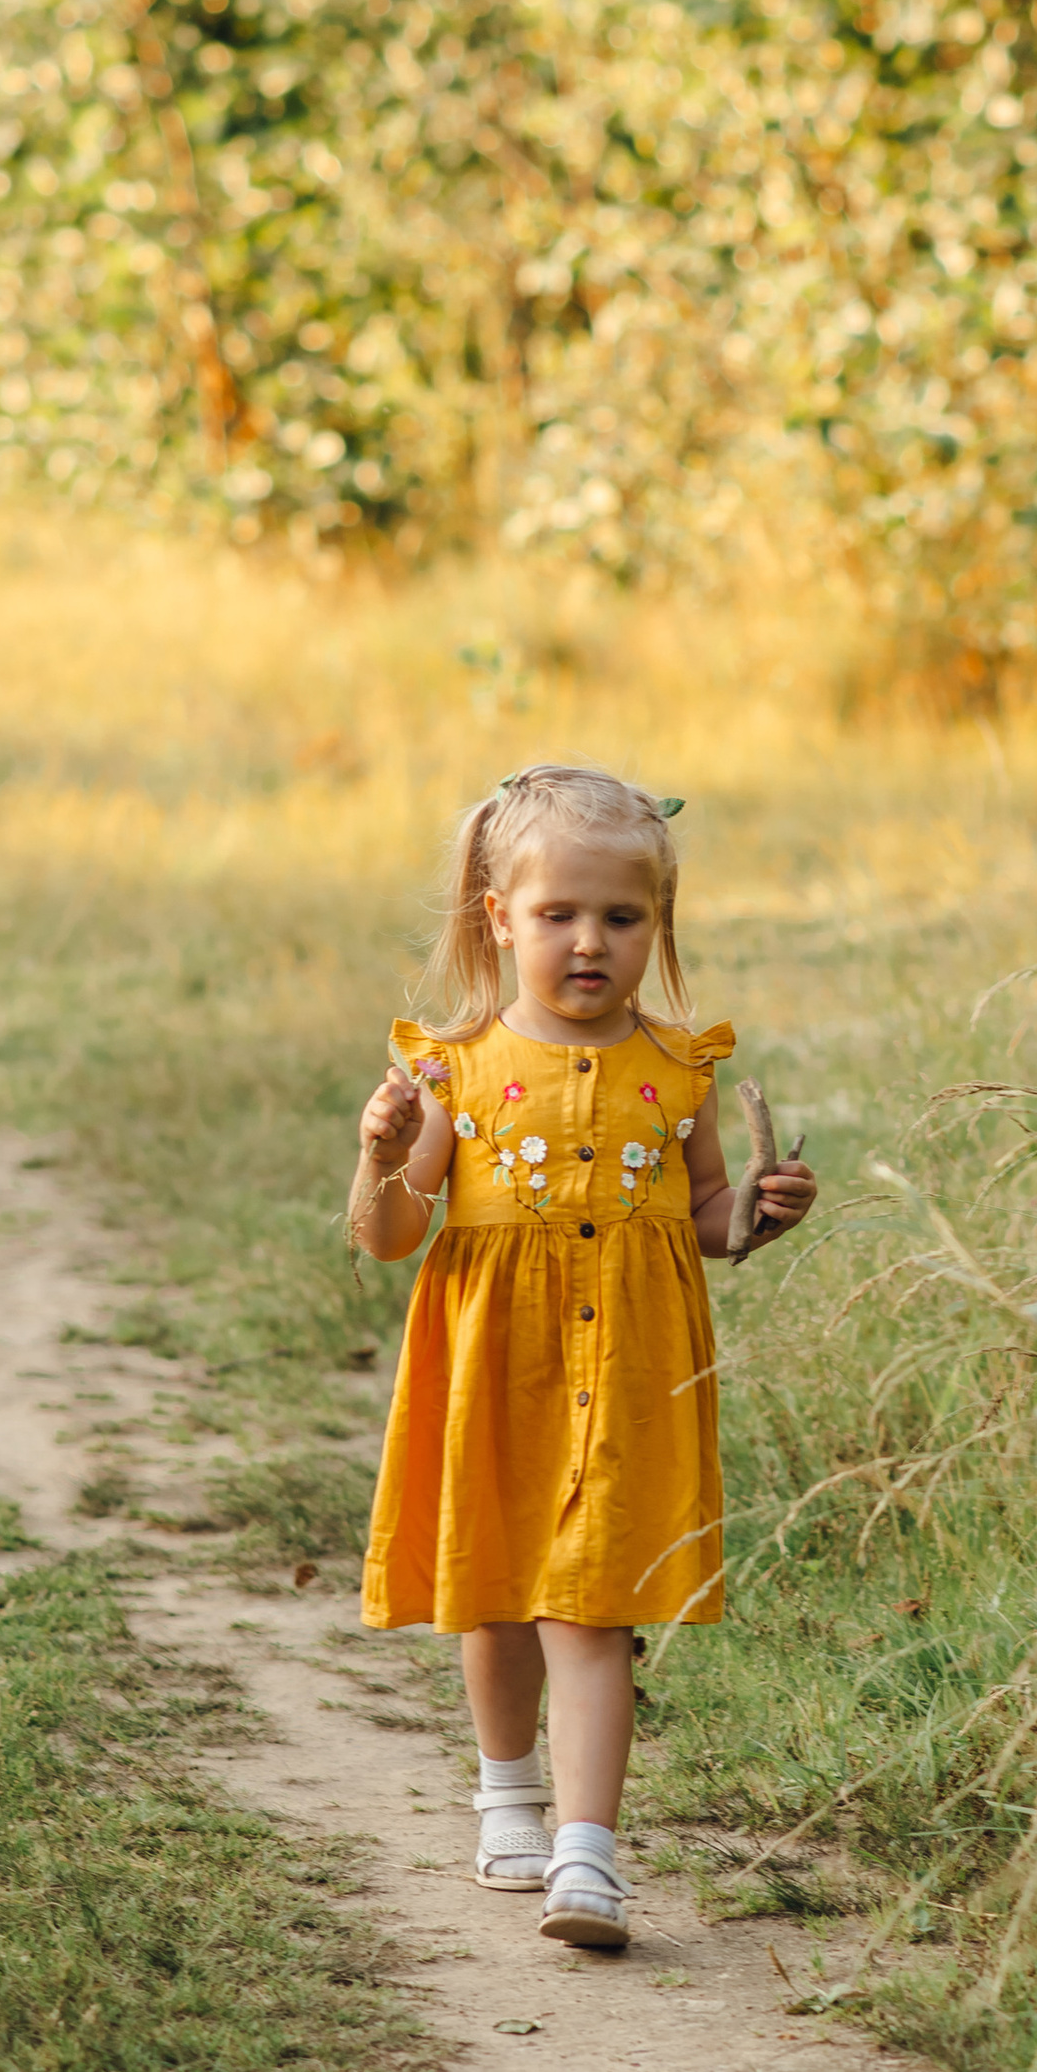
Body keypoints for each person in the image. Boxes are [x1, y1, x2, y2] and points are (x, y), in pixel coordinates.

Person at [349, 763, 816, 1951]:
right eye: (557, 914)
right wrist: (380, 1158)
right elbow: (390, 1236)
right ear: (499, 918)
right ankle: (507, 1798)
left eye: (621, 915)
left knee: (593, 1605)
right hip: (495, 1366)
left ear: (658, 922)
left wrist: (759, 1213)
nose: (591, 941)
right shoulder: (451, 1068)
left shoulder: (680, 1069)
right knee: (499, 1595)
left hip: (633, 1370)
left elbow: (703, 1218)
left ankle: (587, 1858)